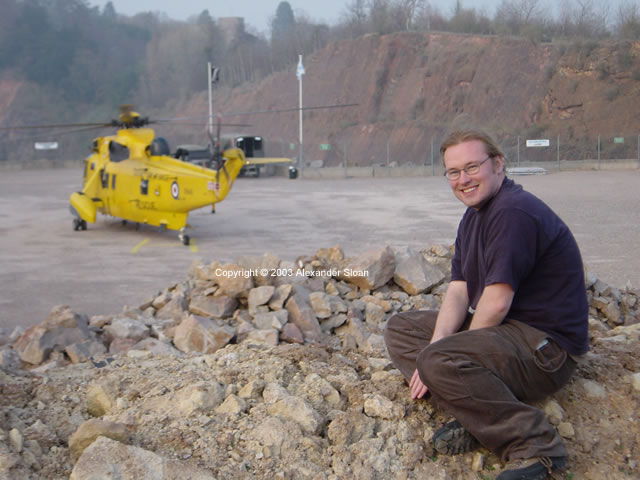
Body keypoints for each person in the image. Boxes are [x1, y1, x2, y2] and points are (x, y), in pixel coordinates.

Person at [384, 130, 588, 480]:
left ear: (497, 164)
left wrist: (448, 354)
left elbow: (495, 303)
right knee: (402, 330)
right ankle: (475, 416)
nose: (463, 179)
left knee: (439, 358)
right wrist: (437, 347)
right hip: (512, 334)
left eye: (472, 167)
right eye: (453, 172)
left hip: (545, 350)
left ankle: (536, 446)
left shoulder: (513, 212)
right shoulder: (474, 217)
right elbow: (460, 290)